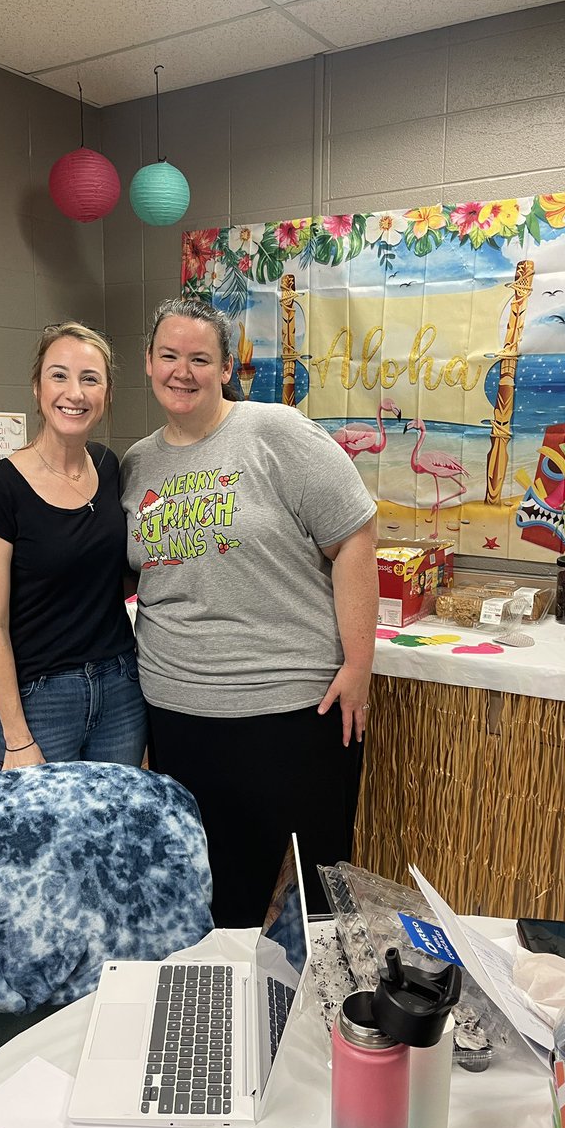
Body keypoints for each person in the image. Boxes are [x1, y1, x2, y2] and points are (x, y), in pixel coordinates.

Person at [121, 298, 378, 925]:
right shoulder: (136, 463)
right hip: (179, 713)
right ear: (148, 363)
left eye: (200, 359)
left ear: (226, 366)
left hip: (291, 707)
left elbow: (354, 538)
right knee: (217, 893)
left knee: (315, 896)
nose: (183, 371)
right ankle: (232, 1014)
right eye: (170, 356)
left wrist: (358, 665)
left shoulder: (276, 432)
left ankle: (323, 1017)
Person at [0, 322, 146, 771]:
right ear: (37, 387)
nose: (75, 392)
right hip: (41, 700)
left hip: (121, 687)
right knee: (42, 838)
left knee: (114, 833)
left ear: (106, 394)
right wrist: (16, 736)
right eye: (59, 375)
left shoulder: (109, 467)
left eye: (90, 378)